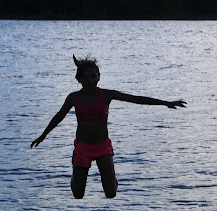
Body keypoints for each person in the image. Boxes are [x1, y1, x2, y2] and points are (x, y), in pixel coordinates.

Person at [31, 55, 186, 199]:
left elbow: (135, 99)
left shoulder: (106, 95)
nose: (90, 81)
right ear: (79, 79)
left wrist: (165, 103)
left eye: (93, 76)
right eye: (85, 77)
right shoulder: (73, 98)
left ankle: (111, 177)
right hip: (83, 148)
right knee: (78, 195)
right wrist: (43, 135)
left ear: (99, 77)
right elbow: (58, 117)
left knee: (111, 193)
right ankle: (75, 170)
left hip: (103, 147)